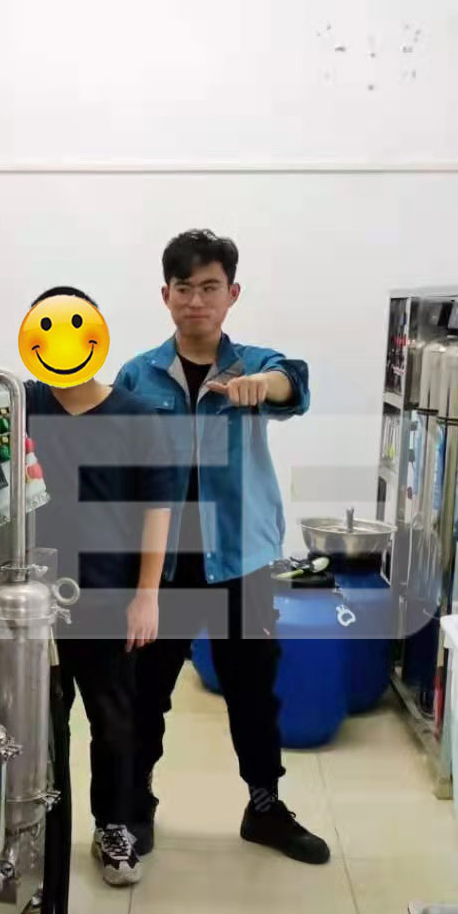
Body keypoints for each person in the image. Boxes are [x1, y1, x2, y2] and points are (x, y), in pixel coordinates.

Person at [0, 287, 176, 886]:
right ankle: (35, 844)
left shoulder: (138, 417)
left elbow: (157, 510)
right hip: (28, 600)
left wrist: (147, 595)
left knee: (114, 721)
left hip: (107, 596)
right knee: (35, 724)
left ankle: (113, 826)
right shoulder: (20, 403)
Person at [114, 229, 330, 865]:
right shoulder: (137, 375)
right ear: (165, 295)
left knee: (254, 691)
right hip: (160, 568)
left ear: (232, 294)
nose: (196, 301)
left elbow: (295, 384)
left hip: (239, 561)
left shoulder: (254, 363)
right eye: (184, 288)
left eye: (210, 287)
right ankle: (135, 802)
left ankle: (265, 807)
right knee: (145, 694)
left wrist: (266, 386)